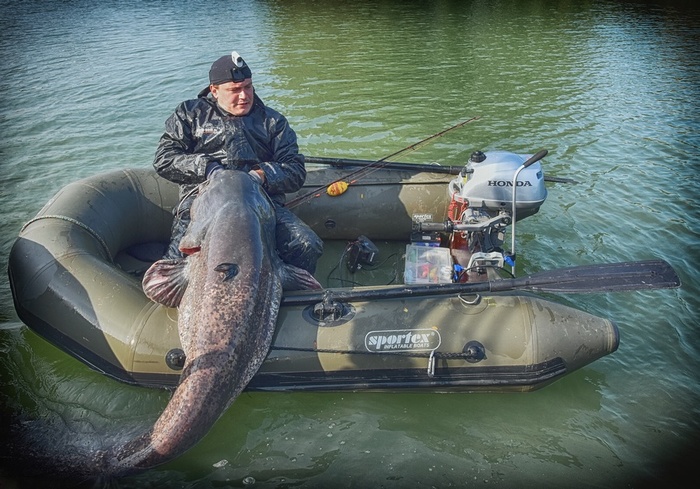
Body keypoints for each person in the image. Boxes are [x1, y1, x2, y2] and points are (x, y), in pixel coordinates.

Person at [153, 51, 323, 275]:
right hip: (202, 203)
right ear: (214, 90)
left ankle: (286, 296)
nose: (244, 96)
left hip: (260, 205)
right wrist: (207, 168)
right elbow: (164, 158)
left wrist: (261, 175)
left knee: (306, 245)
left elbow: (295, 171)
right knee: (176, 262)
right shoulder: (189, 114)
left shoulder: (273, 122)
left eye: (248, 87)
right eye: (235, 90)